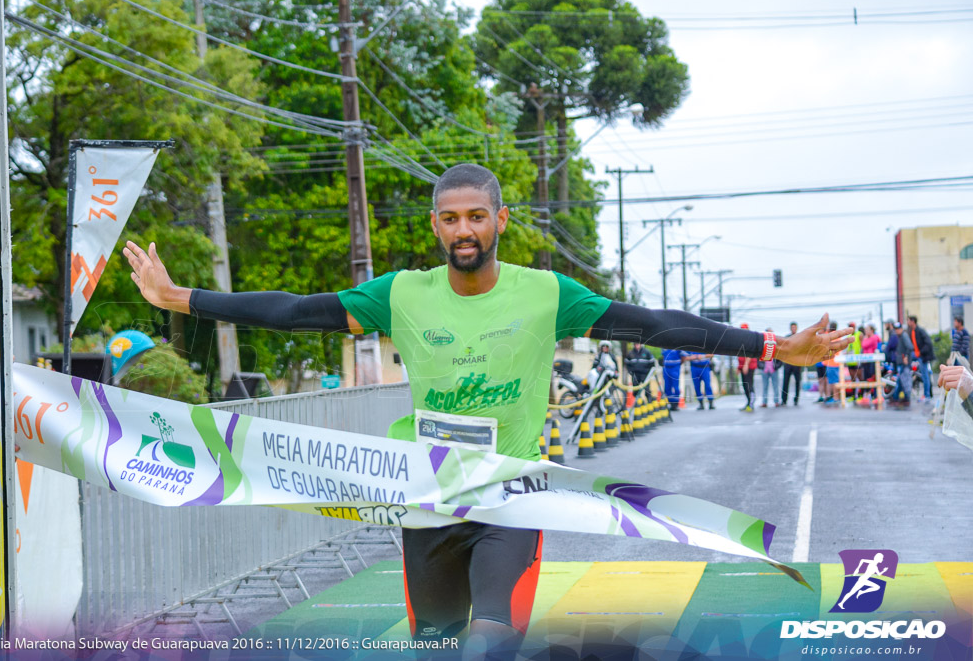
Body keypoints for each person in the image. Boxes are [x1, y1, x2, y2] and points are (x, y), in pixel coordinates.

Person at [123, 164, 852, 658]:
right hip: (428, 502)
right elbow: (294, 310)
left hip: (512, 496)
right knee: (439, 641)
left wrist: (771, 345)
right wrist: (180, 297)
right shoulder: (401, 294)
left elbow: (653, 323)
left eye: (477, 215)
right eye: (450, 219)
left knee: (489, 639)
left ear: (499, 219)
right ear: (436, 226)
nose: (464, 229)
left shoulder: (546, 292)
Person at [907, 315, 935, 402]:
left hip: (923, 356)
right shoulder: (912, 331)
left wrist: (921, 352)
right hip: (917, 355)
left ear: (912, 321)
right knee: (923, 374)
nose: (907, 322)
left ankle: (926, 395)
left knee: (925, 375)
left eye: (908, 321)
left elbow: (928, 343)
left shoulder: (920, 331)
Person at [889, 322, 914, 406]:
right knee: (900, 381)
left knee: (905, 380)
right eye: (895, 329)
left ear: (901, 329)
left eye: (898, 329)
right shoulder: (900, 336)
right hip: (901, 361)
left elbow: (910, 347)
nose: (896, 331)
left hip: (904, 362)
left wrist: (906, 357)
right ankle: (896, 398)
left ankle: (907, 398)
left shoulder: (904, 336)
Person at [780, 322, 802, 406]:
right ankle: (784, 400)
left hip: (797, 363)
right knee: (785, 382)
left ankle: (796, 400)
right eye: (792, 327)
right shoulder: (787, 338)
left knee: (797, 382)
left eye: (795, 327)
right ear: (790, 328)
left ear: (796, 328)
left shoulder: (800, 338)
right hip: (788, 363)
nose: (793, 329)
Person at [737, 323, 757, 412]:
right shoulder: (740, 340)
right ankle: (748, 402)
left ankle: (751, 403)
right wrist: (739, 367)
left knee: (749, 385)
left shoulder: (750, 339)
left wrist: (746, 365)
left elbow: (750, 353)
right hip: (742, 366)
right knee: (745, 385)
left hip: (749, 366)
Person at [759, 327, 780, 407]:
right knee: (764, 386)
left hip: (773, 369)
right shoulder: (762, 343)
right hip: (764, 369)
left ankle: (776, 401)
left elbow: (779, 358)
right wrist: (761, 366)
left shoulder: (776, 344)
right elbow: (758, 356)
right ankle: (764, 402)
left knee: (775, 385)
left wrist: (777, 366)